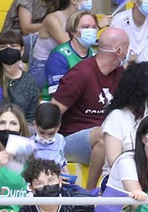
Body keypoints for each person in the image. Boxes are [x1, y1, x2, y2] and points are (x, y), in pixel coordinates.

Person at [49, 27, 130, 171]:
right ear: (118, 51)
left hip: (109, 134)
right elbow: (52, 112)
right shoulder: (80, 74)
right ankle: (90, 190)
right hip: (72, 137)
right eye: (127, 48)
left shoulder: (120, 74)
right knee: (102, 135)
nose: (129, 53)